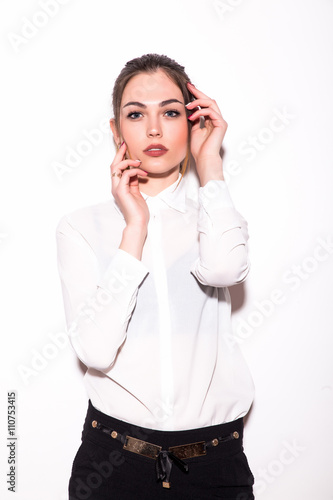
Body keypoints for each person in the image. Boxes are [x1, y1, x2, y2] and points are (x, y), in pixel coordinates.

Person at [56, 53, 255, 500]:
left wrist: (211, 167)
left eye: (170, 112)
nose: (153, 129)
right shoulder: (81, 226)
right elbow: (95, 349)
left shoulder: (215, 216)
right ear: (115, 131)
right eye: (135, 114)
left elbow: (224, 268)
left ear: (194, 121)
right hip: (113, 465)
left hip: (214, 465)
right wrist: (135, 228)